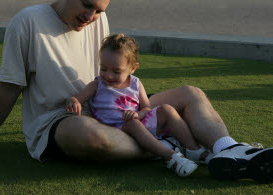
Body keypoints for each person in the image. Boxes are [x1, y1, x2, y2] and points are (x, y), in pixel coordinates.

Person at [0, 0, 273, 184]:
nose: (91, 17)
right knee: (86, 135)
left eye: (99, 11)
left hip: (116, 112)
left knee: (190, 91)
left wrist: (140, 107)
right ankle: (175, 148)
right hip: (61, 120)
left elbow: (115, 72)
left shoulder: (99, 20)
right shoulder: (27, 22)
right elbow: (8, 87)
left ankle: (228, 150)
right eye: (86, 6)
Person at [66, 34, 213, 176]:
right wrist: (74, 101)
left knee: (166, 109)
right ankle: (171, 157)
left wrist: (138, 114)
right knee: (133, 124)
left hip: (138, 121)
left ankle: (194, 150)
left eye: (116, 71)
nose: (108, 76)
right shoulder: (98, 84)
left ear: (132, 68)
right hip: (117, 130)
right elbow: (77, 98)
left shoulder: (136, 83)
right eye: (103, 69)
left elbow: (147, 107)